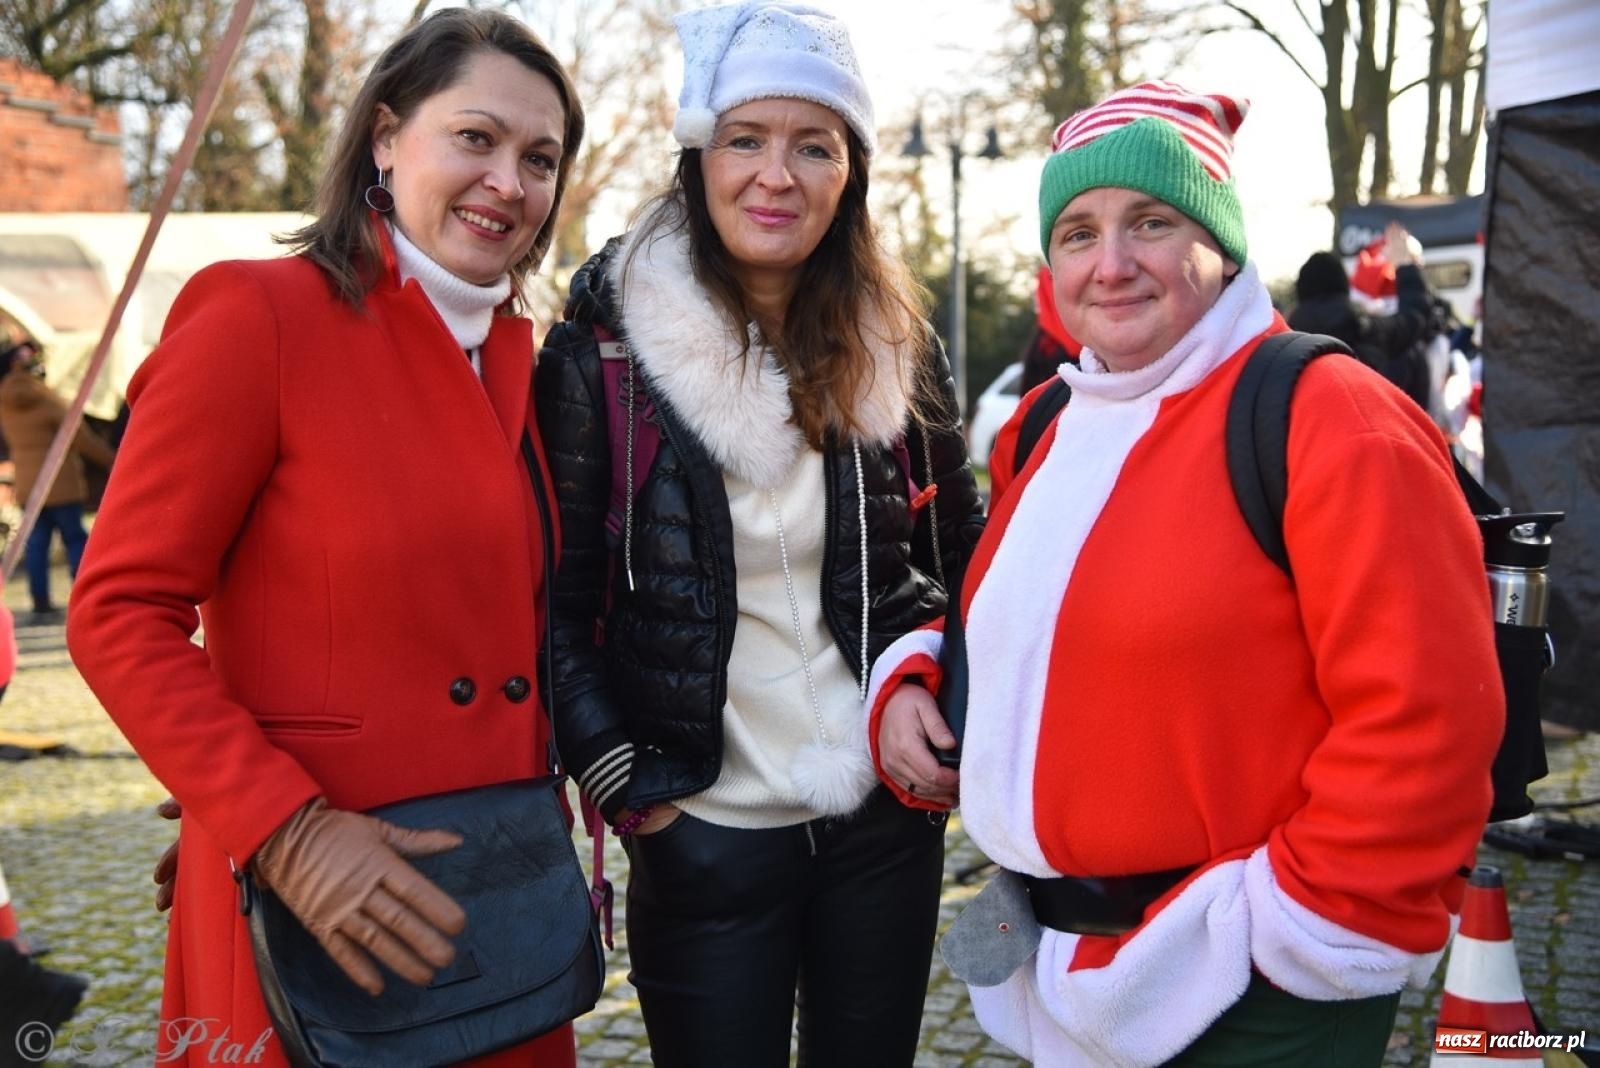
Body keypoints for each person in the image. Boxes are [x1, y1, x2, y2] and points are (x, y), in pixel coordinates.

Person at [867, 81, 1503, 1066]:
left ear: (1220, 241)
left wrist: (1305, 933)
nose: (1110, 264)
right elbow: (1034, 626)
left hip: (1246, 989)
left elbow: (1430, 715)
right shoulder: (1046, 424)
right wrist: (920, 680)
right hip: (1069, 979)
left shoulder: (1330, 418)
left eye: (1151, 222)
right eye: (1076, 232)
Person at [64, 10, 584, 1065]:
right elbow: (119, 610)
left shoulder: (521, 363)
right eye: (474, 138)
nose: (509, 182)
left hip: (493, 886)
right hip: (321, 898)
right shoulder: (259, 316)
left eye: (540, 159)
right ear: (386, 138)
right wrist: (272, 821)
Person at [534, 3, 982, 1064]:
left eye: (812, 145)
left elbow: (967, 561)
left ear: (850, 172)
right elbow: (550, 603)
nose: (775, 175)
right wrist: (626, 785)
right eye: (745, 139)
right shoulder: (604, 354)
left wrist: (939, 691)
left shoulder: (896, 344)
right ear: (699, 156)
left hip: (883, 823)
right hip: (703, 827)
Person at [0, 339, 116, 620]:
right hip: (60, 482)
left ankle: (40, 600)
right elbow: (81, 440)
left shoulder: (4, 401)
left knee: (38, 543)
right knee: (75, 539)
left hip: (28, 483)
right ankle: (82, 599)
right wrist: (116, 462)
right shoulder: (48, 400)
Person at [1288, 224, 1434, 408]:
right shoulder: (1365, 330)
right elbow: (1414, 317)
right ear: (1343, 286)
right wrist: (1405, 266)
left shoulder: (1286, 348)